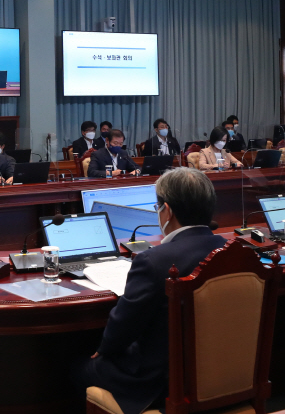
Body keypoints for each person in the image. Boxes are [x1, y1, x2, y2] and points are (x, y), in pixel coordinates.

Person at [72, 167, 227, 414]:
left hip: (161, 383)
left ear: (167, 210)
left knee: (77, 365)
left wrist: (102, 350)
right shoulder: (232, 250)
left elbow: (122, 329)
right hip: (225, 372)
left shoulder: (154, 261)